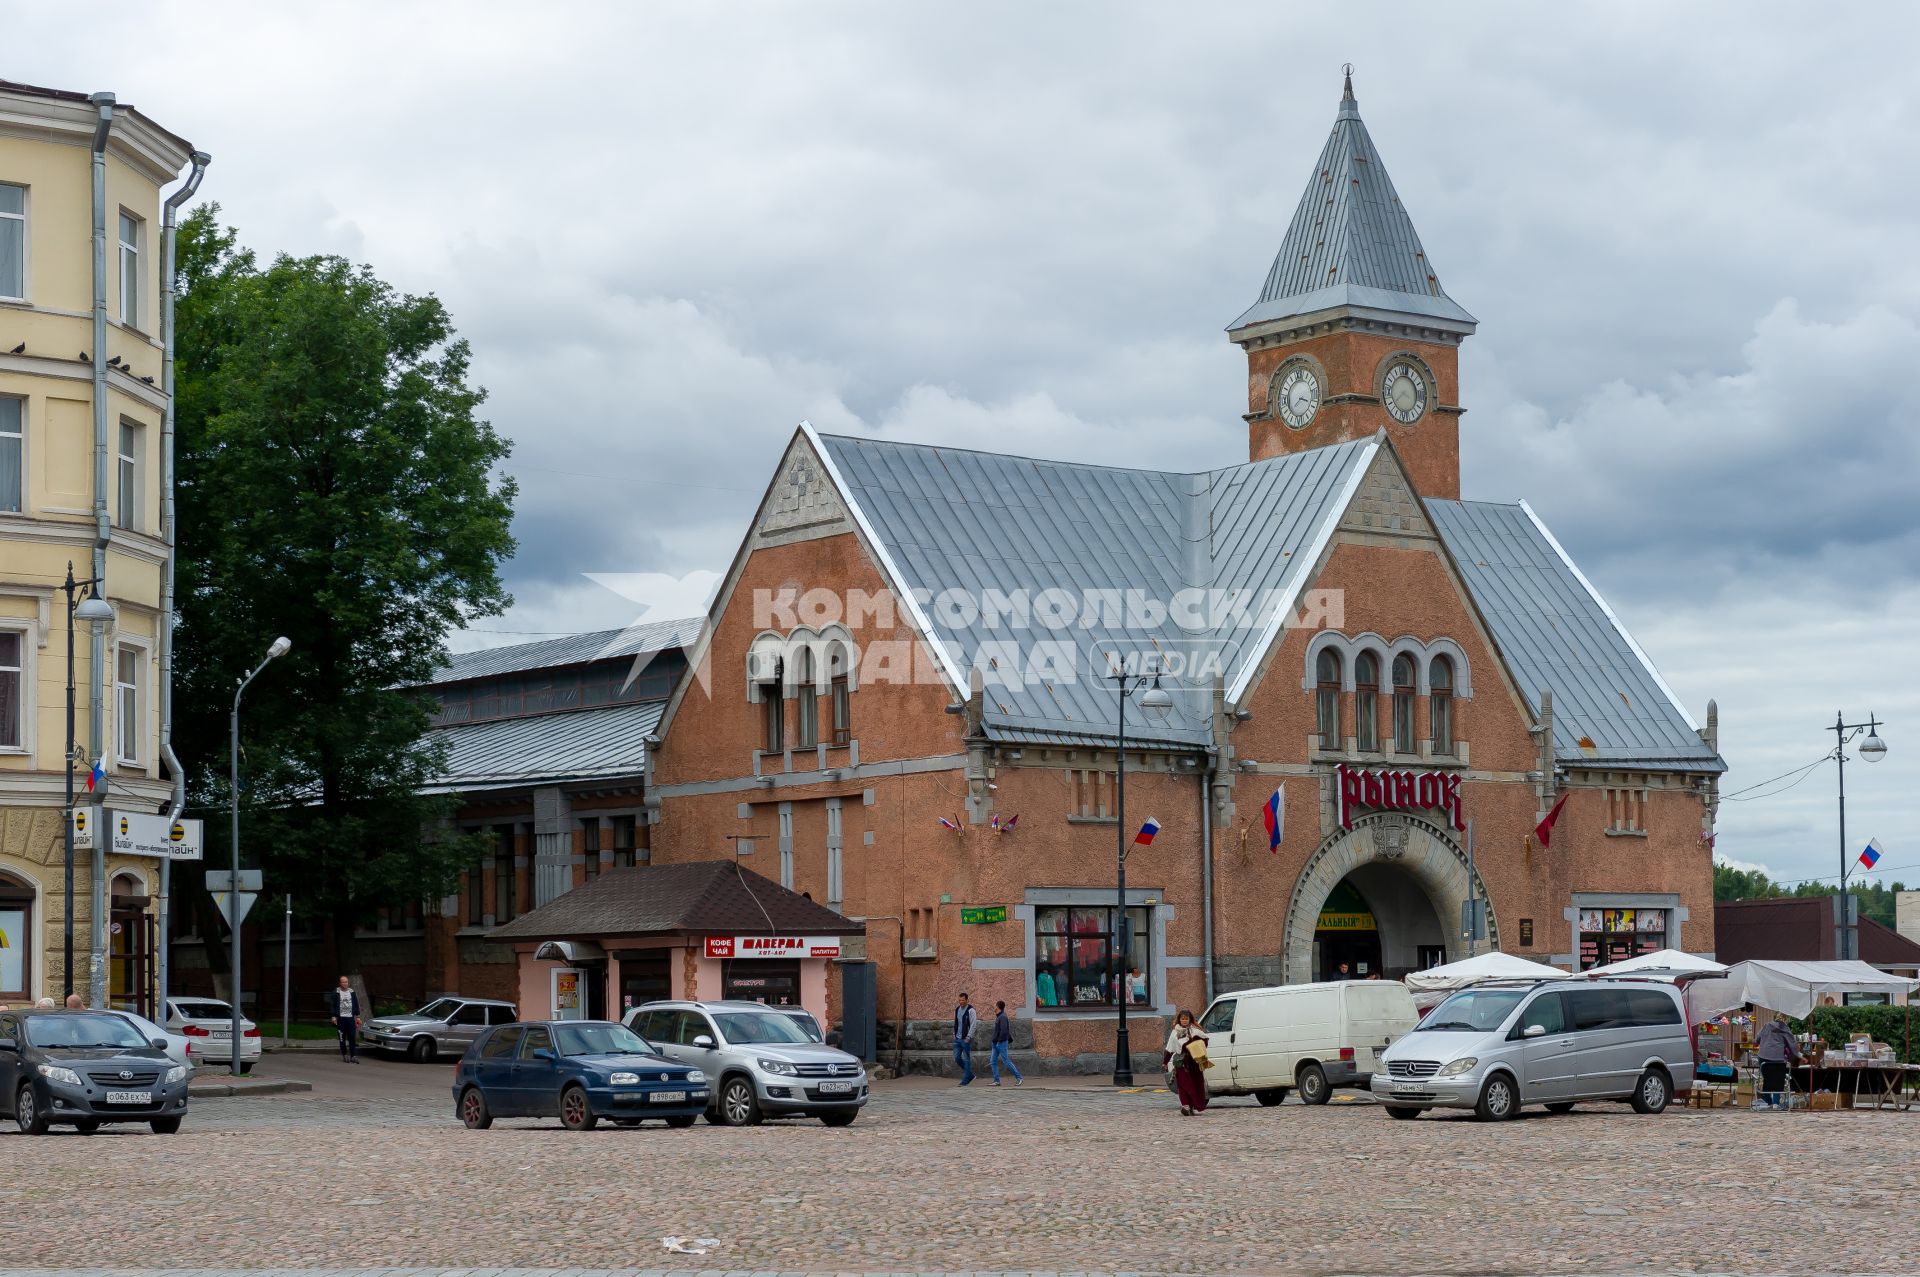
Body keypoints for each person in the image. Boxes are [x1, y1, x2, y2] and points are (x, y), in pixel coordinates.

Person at [1164, 1008, 1209, 1116]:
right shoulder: (1175, 1032)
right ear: (1179, 1019)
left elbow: (1205, 1042)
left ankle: (1192, 1105)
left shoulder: (1195, 1030)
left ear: (1190, 1019)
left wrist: (1197, 1043)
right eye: (1182, 1019)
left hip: (1194, 1062)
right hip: (1181, 1062)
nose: (1184, 1021)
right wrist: (1165, 1062)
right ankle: (1185, 1105)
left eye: (1186, 1019)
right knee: (1183, 1085)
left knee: (1195, 1084)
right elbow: (1170, 1048)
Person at [1754, 1017, 1800, 1110]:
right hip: (1778, 1059)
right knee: (1778, 1081)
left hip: (1763, 1058)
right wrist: (1798, 1055)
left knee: (1767, 1080)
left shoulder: (1766, 1026)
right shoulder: (1785, 1029)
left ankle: (1768, 1102)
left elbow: (1756, 1040)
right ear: (1785, 1019)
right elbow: (1792, 1045)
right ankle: (1775, 1104)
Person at [989, 1000, 1023, 1087]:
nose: (994, 1007)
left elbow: (1004, 1031)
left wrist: (999, 1041)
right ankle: (996, 1081)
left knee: (1006, 1061)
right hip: (995, 1043)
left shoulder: (1003, 1017)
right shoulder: (999, 1016)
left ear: (998, 1007)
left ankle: (1019, 1078)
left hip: (1001, 1043)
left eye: (995, 1005)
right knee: (993, 1061)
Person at [330, 975, 363, 1064]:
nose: (345, 983)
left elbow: (355, 1004)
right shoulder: (336, 992)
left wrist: (358, 1016)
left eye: (346, 982)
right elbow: (333, 1005)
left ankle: (353, 1056)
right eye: (343, 982)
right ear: (340, 983)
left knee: (352, 1037)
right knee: (342, 1038)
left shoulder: (351, 992)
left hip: (350, 1019)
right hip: (341, 1019)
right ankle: (345, 1054)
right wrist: (333, 1016)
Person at [951, 991, 976, 1086]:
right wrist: (954, 1033)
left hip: (966, 1039)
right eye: (959, 1000)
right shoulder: (957, 1009)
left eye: (962, 1000)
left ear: (967, 1000)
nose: (961, 1002)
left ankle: (965, 1080)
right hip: (957, 1039)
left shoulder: (971, 1010)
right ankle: (970, 1075)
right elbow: (956, 1022)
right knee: (957, 1058)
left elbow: (973, 1024)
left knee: (966, 1059)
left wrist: (969, 1037)